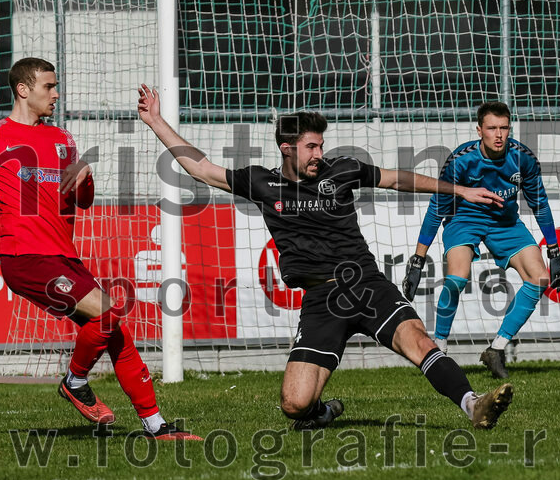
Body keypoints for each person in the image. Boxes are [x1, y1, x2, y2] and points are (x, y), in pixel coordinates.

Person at [136, 84, 514, 430]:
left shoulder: (343, 170)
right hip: (321, 301)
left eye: (321, 146)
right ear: (287, 149)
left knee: (418, 341)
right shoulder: (262, 183)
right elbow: (200, 168)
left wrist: (460, 190)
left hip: (365, 284)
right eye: (311, 147)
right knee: (293, 403)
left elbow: (397, 179)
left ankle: (472, 403)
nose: (320, 154)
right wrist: (156, 121)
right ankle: (323, 412)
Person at [0, 58, 199, 441]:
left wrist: (85, 179)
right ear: (24, 90)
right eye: (49, 87)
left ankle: (156, 427)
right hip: (24, 258)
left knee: (116, 332)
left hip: (64, 257)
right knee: (109, 313)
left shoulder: (62, 139)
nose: (56, 94)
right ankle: (75, 381)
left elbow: (82, 201)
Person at [401, 101, 560, 379]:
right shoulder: (461, 160)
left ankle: (496, 349)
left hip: (505, 222)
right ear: (479, 130)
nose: (499, 134)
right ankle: (438, 351)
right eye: (492, 128)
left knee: (539, 278)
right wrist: (418, 259)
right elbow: (436, 209)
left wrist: (554, 251)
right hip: (464, 220)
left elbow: (540, 204)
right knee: (457, 279)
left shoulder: (522, 158)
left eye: (504, 128)